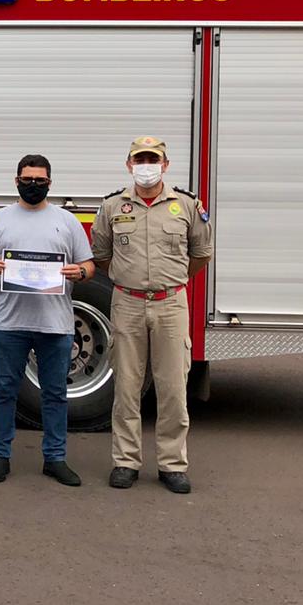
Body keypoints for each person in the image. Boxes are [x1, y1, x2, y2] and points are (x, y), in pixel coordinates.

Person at [91, 136, 213, 494]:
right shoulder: (112, 206)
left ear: (165, 165)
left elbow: (201, 253)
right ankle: (126, 461)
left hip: (171, 304)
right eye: (140, 159)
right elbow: (102, 254)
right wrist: (129, 279)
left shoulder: (186, 205)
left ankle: (172, 464)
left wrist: (171, 281)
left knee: (173, 387)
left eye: (153, 159)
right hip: (126, 303)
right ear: (129, 165)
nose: (147, 166)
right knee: (126, 386)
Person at [0, 154, 95, 486]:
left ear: (50, 183)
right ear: (16, 181)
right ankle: (0, 456)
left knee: (55, 394)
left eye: (40, 181)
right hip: (9, 323)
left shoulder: (67, 221)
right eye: (27, 180)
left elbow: (89, 265)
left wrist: (80, 272)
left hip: (55, 324)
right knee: (4, 390)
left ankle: (55, 458)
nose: (33, 185)